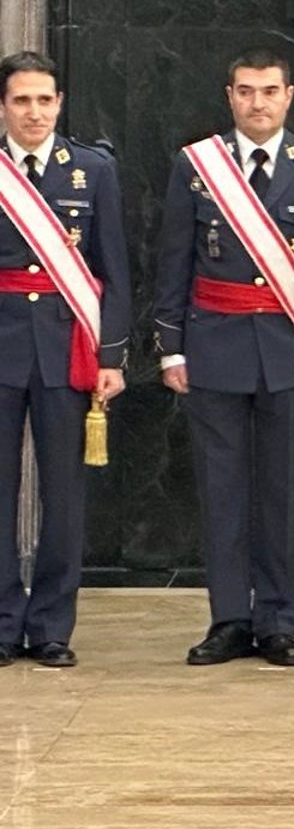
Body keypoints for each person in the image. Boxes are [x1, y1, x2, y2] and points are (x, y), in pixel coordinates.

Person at [154, 50, 294, 667]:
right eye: (246, 91)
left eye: (270, 91)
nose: (258, 103)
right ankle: (228, 620)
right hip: (213, 344)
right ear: (229, 95)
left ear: (289, 95)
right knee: (222, 491)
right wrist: (171, 348)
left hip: (290, 349)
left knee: (282, 494)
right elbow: (173, 263)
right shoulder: (198, 165)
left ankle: (277, 621)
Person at [0, 50, 129, 667]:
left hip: (66, 350)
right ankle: (2, 623)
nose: (34, 112)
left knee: (63, 494)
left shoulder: (91, 170)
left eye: (44, 100)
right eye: (22, 100)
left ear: (59, 104)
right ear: (4, 106)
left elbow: (113, 270)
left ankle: (51, 625)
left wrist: (112, 354)